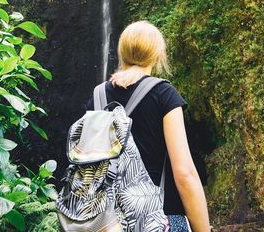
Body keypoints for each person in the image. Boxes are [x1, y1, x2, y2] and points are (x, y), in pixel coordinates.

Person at [86, 20, 211, 232]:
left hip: (107, 223)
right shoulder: (164, 95)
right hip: (160, 219)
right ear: (157, 55)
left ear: (122, 52)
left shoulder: (97, 97)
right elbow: (184, 174)